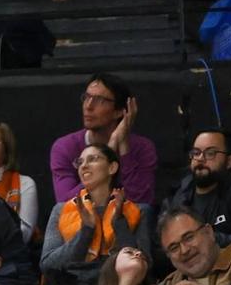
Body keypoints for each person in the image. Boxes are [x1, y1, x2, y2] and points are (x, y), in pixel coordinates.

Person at [40, 143, 148, 285]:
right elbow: (48, 265)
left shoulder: (139, 211)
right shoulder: (61, 210)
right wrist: (86, 231)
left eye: (93, 159)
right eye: (80, 161)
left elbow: (145, 263)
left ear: (112, 168)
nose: (84, 166)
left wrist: (119, 222)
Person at [47, 74, 156, 206]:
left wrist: (124, 149)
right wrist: (107, 151)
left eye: (99, 100)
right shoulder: (65, 147)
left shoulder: (143, 148)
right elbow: (65, 203)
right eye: (86, 97)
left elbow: (141, 203)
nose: (88, 106)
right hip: (81, 223)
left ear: (119, 111)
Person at [168, 128, 231, 250]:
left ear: (230, 161)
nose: (200, 158)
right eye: (196, 153)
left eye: (210, 153)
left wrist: (202, 240)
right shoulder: (181, 194)